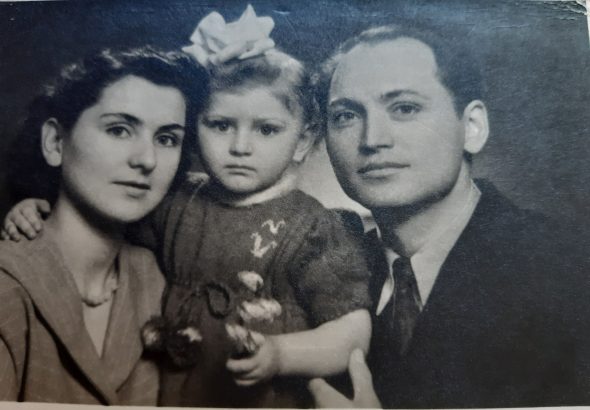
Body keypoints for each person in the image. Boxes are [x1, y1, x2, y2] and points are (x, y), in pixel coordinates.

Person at [3, 6, 372, 408]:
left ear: (302, 142)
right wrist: (35, 207)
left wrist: (282, 354)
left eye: (266, 129)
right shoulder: (177, 203)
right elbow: (98, 227)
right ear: (196, 132)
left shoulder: (312, 228)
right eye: (220, 125)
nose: (240, 147)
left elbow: (352, 329)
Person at [308, 24, 590, 407]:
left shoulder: (571, 267)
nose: (372, 139)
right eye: (346, 116)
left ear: (471, 127)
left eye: (405, 108)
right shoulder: (319, 271)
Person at [0, 46, 204, 404]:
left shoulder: (154, 277)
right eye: (119, 130)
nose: (147, 160)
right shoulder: (7, 285)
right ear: (55, 142)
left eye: (167, 139)